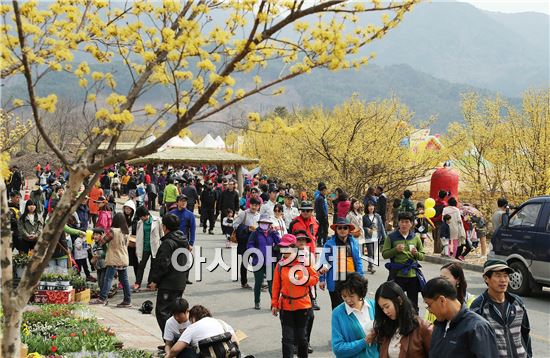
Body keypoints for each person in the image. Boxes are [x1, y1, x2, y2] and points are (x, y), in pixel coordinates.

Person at [422, 277, 498, 357]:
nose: (429, 310)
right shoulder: (439, 326)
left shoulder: (478, 327)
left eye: (429, 305)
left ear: (442, 300)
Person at [470, 260, 532, 358]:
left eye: (505, 275)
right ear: (486, 278)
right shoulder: (479, 306)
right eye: (498, 275)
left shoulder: (517, 303)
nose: (503, 280)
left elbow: (525, 333)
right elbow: (473, 342)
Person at [271, 234, 319, 358]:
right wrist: (274, 304)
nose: (284, 251)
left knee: (302, 339)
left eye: (287, 248)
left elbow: (315, 278)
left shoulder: (304, 262)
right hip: (286, 306)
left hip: (303, 306)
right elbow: (275, 286)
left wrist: (303, 279)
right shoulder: (280, 265)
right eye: (282, 247)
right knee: (287, 339)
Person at [148, 213, 190, 339]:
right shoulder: (183, 240)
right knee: (174, 313)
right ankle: (176, 341)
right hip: (180, 281)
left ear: (164, 227)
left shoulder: (168, 243)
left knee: (162, 312)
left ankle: (170, 340)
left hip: (169, 283)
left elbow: (163, 264)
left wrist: (155, 280)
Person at [374, 281, 432, 358]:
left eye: (387, 306)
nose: (385, 312)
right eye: (382, 308)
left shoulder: (422, 328)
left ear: (399, 300)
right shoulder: (385, 328)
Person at [382, 212, 425, 313]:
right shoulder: (391, 237)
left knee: (413, 304)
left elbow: (422, 256)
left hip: (412, 275)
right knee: (396, 302)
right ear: (398, 222)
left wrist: (416, 254)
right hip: (397, 274)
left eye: (407, 222)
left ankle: (414, 324)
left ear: (411, 224)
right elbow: (384, 254)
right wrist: (395, 250)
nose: (404, 224)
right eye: (402, 222)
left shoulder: (416, 237)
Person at [319, 218, 364, 310]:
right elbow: (324, 262)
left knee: (352, 308)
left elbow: (358, 261)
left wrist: (360, 277)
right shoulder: (329, 244)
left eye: (345, 228)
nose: (342, 230)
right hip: (335, 281)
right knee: (337, 309)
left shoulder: (354, 243)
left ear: (349, 230)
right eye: (339, 228)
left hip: (351, 279)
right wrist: (322, 279)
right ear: (336, 230)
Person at [331, 272, 378, 358]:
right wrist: (364, 341)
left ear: (360, 293)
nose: (348, 300)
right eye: (344, 296)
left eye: (351, 296)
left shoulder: (374, 306)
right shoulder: (337, 313)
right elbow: (338, 348)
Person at [91, 212, 132, 307]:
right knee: (124, 280)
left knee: (108, 279)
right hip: (124, 258)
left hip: (114, 258)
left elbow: (102, 242)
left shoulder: (113, 231)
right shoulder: (126, 232)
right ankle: (127, 300)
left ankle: (102, 298)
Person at [167, 305, 238, 358]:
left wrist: (168, 356)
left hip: (207, 355)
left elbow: (175, 350)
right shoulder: (220, 322)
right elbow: (236, 342)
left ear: (193, 318)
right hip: (228, 354)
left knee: (182, 350)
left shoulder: (192, 327)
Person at [233, 197, 261, 289]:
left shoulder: (259, 216)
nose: (254, 207)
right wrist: (247, 229)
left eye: (256, 205)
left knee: (259, 261)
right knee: (245, 261)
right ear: (250, 205)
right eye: (253, 205)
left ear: (259, 206)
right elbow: (235, 224)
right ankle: (244, 282)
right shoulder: (243, 214)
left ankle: (259, 281)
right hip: (245, 241)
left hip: (255, 242)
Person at [134, 206, 163, 291]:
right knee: (141, 266)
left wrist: (163, 245)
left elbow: (161, 233)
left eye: (141, 216)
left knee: (153, 266)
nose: (141, 218)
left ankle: (150, 282)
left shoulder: (157, 220)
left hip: (155, 246)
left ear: (146, 215)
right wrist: (137, 248)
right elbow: (138, 237)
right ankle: (137, 283)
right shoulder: (140, 223)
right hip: (144, 247)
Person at [363, 201, 387, 274]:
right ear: (367, 208)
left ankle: (369, 265)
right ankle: (371, 266)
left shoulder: (378, 216)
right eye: (369, 206)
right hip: (368, 237)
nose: (371, 207)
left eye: (372, 206)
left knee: (373, 252)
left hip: (376, 236)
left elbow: (381, 226)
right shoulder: (364, 217)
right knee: (370, 252)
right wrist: (367, 229)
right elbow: (362, 227)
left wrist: (384, 236)